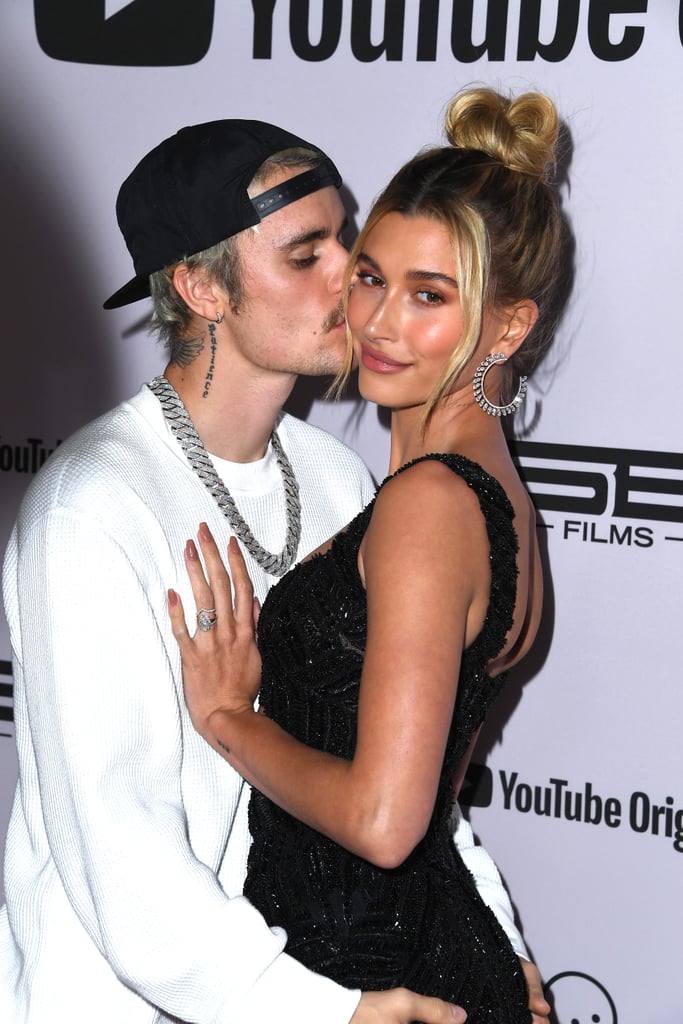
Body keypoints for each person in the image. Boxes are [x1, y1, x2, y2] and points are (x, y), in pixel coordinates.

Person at [0, 115, 548, 1023]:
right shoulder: (90, 506)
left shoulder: (337, 478)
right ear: (199, 287)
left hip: (314, 969)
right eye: (307, 256)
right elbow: (118, 851)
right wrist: (316, 1009)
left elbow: (395, 763)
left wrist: (491, 934)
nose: (353, 282)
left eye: (347, 239)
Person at [170, 87, 563, 1021]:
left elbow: (386, 826)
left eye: (430, 296)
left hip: (373, 976)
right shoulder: (485, 492)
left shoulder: (430, 505)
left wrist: (229, 718)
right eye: (371, 276)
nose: (379, 322)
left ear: (507, 328)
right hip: (412, 954)